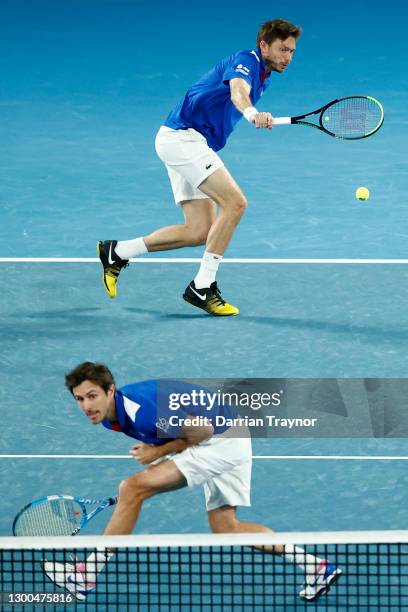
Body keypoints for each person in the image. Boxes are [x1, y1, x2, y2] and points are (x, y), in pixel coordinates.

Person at [43, 362, 341, 601]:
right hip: (232, 431)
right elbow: (179, 431)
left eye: (92, 396)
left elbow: (201, 432)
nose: (86, 406)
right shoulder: (110, 416)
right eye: (79, 399)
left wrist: (158, 452)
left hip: (219, 439)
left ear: (111, 390)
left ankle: (86, 574)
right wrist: (161, 454)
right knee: (226, 528)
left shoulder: (142, 411)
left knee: (132, 488)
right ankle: (315, 566)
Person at [97, 19, 301, 316]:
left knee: (199, 231)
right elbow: (237, 92)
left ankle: (117, 252)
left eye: (292, 51)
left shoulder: (265, 76)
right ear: (263, 45)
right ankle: (202, 287)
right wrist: (252, 113)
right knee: (235, 204)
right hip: (184, 139)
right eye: (283, 49)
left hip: (187, 141)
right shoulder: (247, 61)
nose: (288, 57)